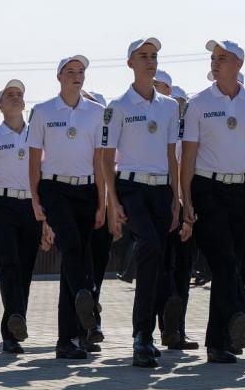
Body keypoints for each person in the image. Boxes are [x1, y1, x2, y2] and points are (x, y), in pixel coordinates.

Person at [181, 39, 245, 364]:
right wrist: (186, 198)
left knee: (233, 264)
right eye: (213, 58)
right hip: (207, 188)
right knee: (223, 258)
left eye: (222, 57)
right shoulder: (198, 103)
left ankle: (220, 342)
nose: (215, 62)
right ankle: (239, 314)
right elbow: (188, 155)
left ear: (239, 64)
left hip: (241, 191)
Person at [105, 40, 186, 368]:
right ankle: (143, 333)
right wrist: (113, 202)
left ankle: (146, 335)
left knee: (155, 260)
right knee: (150, 247)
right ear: (130, 63)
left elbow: (171, 155)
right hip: (131, 187)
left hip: (161, 190)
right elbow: (106, 158)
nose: (150, 61)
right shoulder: (118, 105)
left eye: (153, 56)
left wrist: (176, 198)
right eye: (143, 56)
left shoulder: (169, 107)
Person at [27, 54, 108, 359]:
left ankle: (67, 339)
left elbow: (100, 161)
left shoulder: (97, 112)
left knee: (75, 260)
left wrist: (102, 203)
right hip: (54, 189)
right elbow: (34, 160)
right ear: (59, 77)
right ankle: (89, 304)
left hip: (86, 190)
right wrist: (35, 200)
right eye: (70, 71)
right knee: (71, 246)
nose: (77, 76)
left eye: (81, 71)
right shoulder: (43, 111)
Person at [0, 79, 46, 354]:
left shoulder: (37, 136)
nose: (16, 97)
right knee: (9, 264)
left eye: (19, 94)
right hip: (3, 206)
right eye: (10, 94)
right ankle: (15, 317)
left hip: (31, 206)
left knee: (25, 270)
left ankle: (12, 330)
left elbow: (44, 177)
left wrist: (46, 219)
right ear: (1, 105)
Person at [152, 70, 200, 351]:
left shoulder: (189, 133)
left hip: (183, 206)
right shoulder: (150, 126)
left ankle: (176, 330)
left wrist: (186, 208)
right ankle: (157, 329)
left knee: (182, 271)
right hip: (159, 204)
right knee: (159, 269)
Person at [80, 89, 112, 353]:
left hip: (103, 216)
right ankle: (85, 326)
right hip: (78, 208)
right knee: (80, 270)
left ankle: (91, 325)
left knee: (96, 274)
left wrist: (113, 214)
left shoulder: (112, 142)